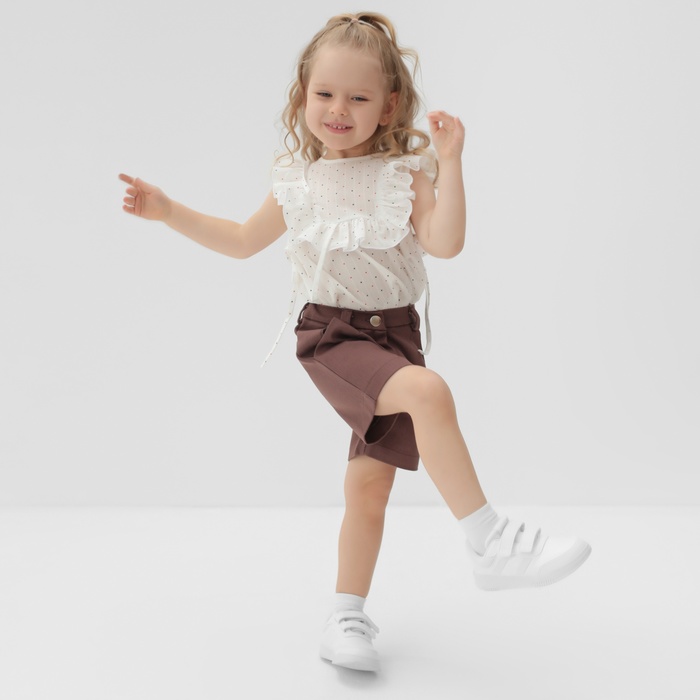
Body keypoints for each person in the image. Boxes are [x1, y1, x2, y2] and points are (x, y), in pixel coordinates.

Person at [118, 12, 591, 674]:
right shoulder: (299, 180)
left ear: (389, 105)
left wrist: (452, 163)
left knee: (368, 489)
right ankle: (489, 540)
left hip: (395, 335)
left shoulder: (405, 174)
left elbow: (446, 242)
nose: (338, 109)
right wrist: (169, 211)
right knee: (427, 392)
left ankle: (346, 616)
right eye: (325, 94)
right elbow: (242, 240)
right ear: (302, 96)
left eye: (358, 97)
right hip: (332, 336)